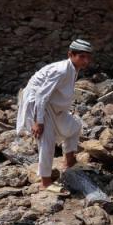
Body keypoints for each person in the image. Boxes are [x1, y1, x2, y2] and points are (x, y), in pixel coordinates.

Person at [17, 39, 93, 189]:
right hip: (39, 105)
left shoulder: (73, 69)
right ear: (71, 54)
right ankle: (45, 182)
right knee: (47, 142)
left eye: (88, 57)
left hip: (53, 106)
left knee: (75, 126)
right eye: (82, 56)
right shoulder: (61, 70)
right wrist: (38, 121)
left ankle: (69, 162)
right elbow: (41, 95)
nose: (86, 61)